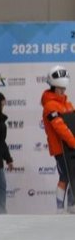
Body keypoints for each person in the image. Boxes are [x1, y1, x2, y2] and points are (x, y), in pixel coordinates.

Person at [41, 65, 75, 213]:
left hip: (71, 146)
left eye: (64, 89)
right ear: (52, 87)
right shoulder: (50, 106)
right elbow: (60, 128)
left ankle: (71, 206)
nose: (62, 91)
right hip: (61, 148)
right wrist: (74, 142)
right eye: (59, 88)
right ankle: (59, 209)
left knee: (73, 176)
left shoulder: (68, 104)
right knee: (65, 176)